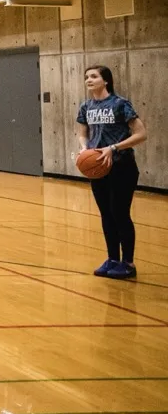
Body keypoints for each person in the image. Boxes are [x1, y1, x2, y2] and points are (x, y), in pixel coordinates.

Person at [76, 65, 147, 280]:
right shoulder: (86, 106)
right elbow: (82, 132)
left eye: (94, 76)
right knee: (106, 214)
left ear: (105, 80)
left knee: (120, 213)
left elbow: (141, 134)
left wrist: (114, 147)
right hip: (98, 168)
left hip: (121, 166)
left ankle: (128, 263)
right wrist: (84, 149)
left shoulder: (119, 104)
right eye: (87, 77)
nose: (89, 80)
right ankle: (112, 259)